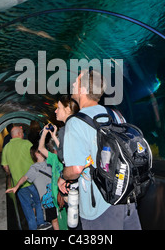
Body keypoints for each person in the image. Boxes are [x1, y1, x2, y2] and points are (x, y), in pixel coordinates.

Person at [58, 69, 142, 230]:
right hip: (126, 198)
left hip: (99, 206)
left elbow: (75, 169)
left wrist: (63, 176)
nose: (73, 85)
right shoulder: (116, 114)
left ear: (82, 90)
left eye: (76, 83)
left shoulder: (75, 123)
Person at [38, 95, 80, 230]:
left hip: (71, 189)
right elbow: (63, 151)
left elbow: (64, 155)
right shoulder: (77, 126)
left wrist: (62, 178)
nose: (55, 111)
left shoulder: (67, 130)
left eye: (58, 108)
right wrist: (54, 135)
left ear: (67, 109)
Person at [1, 126, 47, 230]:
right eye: (22, 133)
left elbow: (5, 167)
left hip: (18, 184)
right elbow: (36, 157)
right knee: (38, 201)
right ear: (18, 134)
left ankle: (32, 227)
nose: (23, 134)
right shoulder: (27, 144)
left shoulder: (6, 148)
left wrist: (10, 173)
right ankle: (41, 223)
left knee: (26, 207)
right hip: (33, 180)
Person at [6, 146, 55, 230]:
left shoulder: (49, 162)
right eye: (40, 151)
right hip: (47, 199)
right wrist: (16, 187)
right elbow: (25, 177)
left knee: (58, 218)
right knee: (54, 220)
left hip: (55, 195)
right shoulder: (34, 168)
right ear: (36, 154)